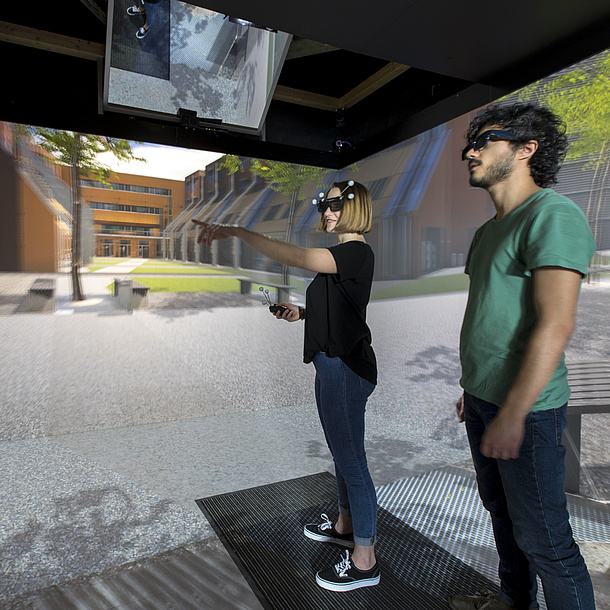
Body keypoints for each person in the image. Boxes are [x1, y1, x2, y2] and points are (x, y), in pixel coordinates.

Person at [193, 180, 380, 592]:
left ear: (356, 206)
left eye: (335, 204)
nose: (327, 211)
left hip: (345, 371)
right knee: (343, 453)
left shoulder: (354, 252)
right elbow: (340, 309)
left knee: (352, 462)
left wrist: (237, 232)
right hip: (333, 367)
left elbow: (295, 256)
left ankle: (364, 560)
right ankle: (346, 524)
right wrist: (303, 313)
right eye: (323, 205)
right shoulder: (344, 258)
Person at [450, 103, 596, 610]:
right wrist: (473, 390)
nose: (470, 151)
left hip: (528, 410)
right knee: (503, 517)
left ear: (527, 149)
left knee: (547, 542)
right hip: (484, 399)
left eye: (485, 140)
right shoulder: (487, 231)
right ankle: (515, 604)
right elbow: (491, 315)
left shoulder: (554, 215)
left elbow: (556, 324)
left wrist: (512, 412)